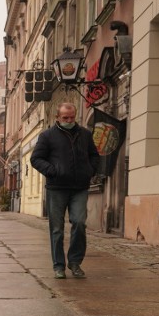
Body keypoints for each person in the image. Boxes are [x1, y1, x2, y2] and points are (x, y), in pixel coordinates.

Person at [31, 102, 100, 279]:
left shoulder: (84, 134)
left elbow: (94, 154)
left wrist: (90, 170)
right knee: (57, 229)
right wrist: (52, 171)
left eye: (71, 117)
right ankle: (59, 266)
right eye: (65, 118)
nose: (69, 120)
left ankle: (75, 262)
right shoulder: (47, 136)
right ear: (57, 118)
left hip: (79, 187)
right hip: (57, 187)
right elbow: (36, 158)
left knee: (78, 222)